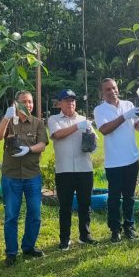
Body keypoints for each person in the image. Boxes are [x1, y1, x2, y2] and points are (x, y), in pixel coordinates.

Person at [0, 91, 49, 266]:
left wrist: (29, 149)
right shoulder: (9, 121)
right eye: (24, 101)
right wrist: (6, 117)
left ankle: (29, 246)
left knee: (35, 213)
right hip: (11, 176)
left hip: (32, 175)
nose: (28, 104)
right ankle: (11, 252)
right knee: (11, 215)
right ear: (16, 103)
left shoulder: (38, 123)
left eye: (31, 101)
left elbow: (43, 144)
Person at [93, 78, 139, 242]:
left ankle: (129, 227)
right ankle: (115, 229)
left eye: (114, 88)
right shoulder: (100, 110)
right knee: (114, 197)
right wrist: (125, 116)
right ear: (102, 93)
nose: (112, 91)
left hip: (131, 158)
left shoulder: (129, 105)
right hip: (114, 162)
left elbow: (138, 128)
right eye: (107, 89)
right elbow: (104, 130)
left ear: (118, 88)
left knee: (129, 196)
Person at [47, 89, 98, 250]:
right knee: (65, 206)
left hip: (84, 168)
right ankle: (65, 239)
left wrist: (90, 138)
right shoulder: (54, 119)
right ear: (59, 103)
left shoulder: (84, 120)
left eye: (73, 100)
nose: (70, 103)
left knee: (85, 204)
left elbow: (95, 141)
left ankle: (85, 235)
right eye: (67, 100)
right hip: (64, 170)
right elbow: (57, 135)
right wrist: (78, 126)